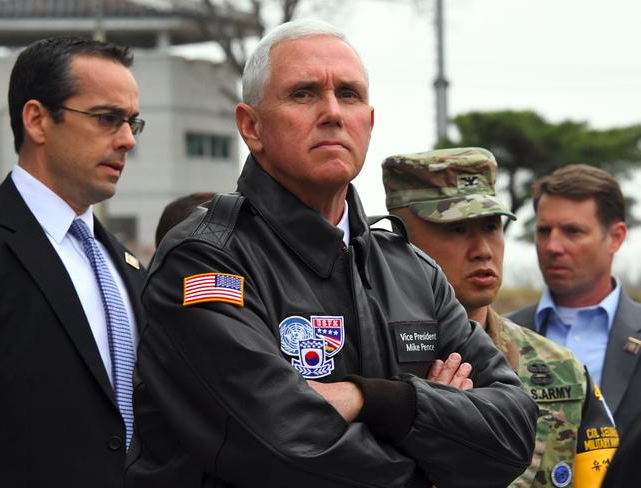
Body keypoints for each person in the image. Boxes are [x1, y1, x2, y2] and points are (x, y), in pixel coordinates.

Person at [125, 20, 537, 488]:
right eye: (303, 94)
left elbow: (515, 433)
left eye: (349, 94)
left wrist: (378, 400)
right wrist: (442, 443)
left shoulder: (412, 270)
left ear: (370, 121)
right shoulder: (205, 259)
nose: (332, 113)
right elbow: (286, 451)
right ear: (251, 126)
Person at [382, 147, 619, 487]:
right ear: (397, 241)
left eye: (491, 226)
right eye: (457, 229)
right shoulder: (368, 362)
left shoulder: (559, 367)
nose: (483, 249)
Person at [0, 37, 146, 487]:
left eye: (133, 122)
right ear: (37, 119)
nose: (128, 140)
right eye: (106, 118)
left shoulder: (125, 264)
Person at [508, 164, 641, 433]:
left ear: (615, 237)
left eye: (573, 231)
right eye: (544, 231)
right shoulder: (499, 335)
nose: (552, 247)